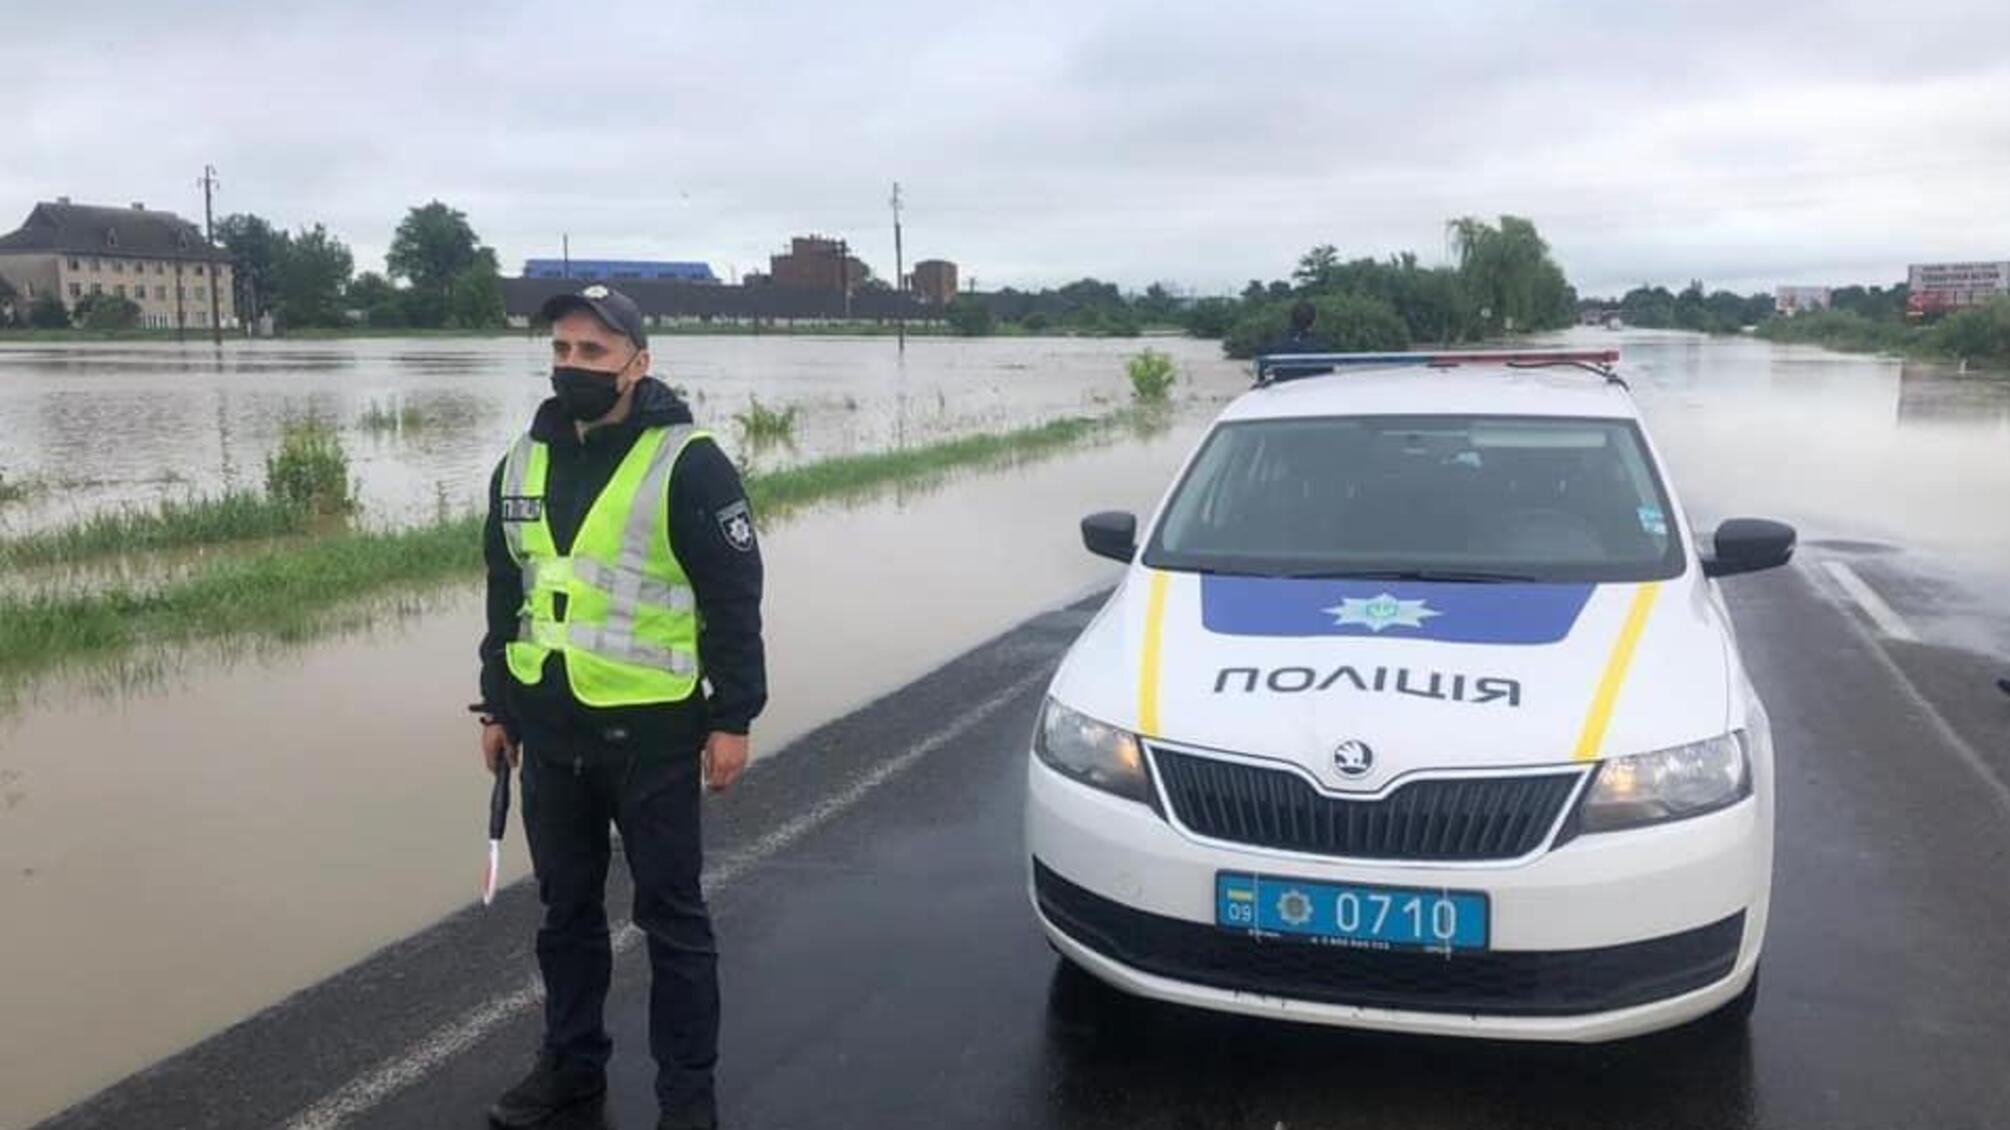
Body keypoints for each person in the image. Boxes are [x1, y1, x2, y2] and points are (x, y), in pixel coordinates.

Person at [474, 284, 766, 1130]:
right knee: (564, 914)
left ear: (638, 363)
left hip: (653, 734)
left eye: (593, 354)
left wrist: (734, 716)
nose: (573, 367)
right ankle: (571, 1066)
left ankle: (687, 1100)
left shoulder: (691, 462)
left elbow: (734, 594)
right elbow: (508, 592)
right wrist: (496, 705)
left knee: (671, 921)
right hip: (551, 730)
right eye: (562, 352)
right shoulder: (521, 461)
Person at [1263, 300, 1335, 380]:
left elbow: (1264, 379)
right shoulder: (1322, 348)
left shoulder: (1272, 346)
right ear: (1313, 321)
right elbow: (1327, 380)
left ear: (1291, 319)